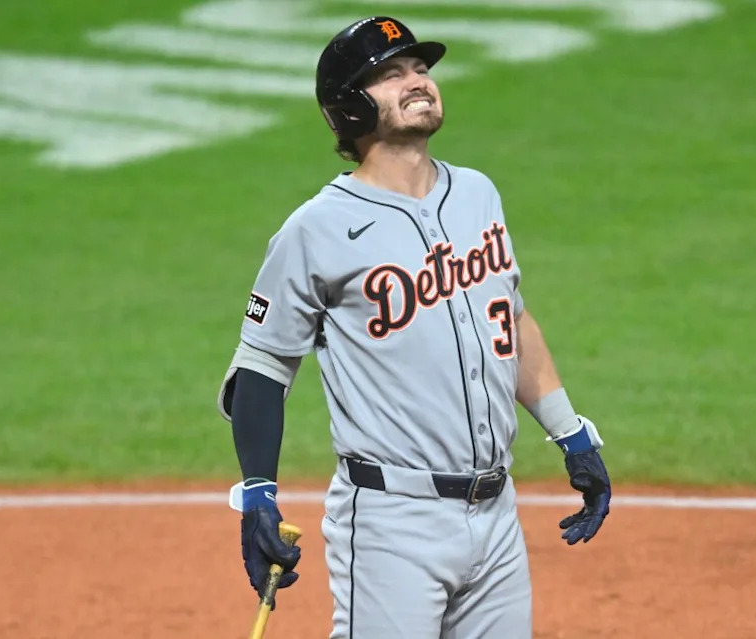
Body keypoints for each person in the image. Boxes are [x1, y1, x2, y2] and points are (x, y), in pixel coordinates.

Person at [217, 15, 612, 639]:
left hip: (497, 515)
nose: (417, 82)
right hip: (391, 524)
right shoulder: (315, 230)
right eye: (390, 75)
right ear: (348, 109)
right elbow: (262, 370)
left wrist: (572, 434)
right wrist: (258, 495)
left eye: (421, 69)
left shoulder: (478, 194)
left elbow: (506, 316)